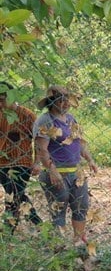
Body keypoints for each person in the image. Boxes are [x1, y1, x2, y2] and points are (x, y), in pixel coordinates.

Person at [33, 86, 98, 246]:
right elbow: (42, 149)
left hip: (76, 173)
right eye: (60, 100)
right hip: (57, 173)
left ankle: (79, 241)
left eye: (66, 100)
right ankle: (59, 245)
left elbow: (79, 142)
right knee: (59, 208)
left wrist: (90, 159)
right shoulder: (45, 120)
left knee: (81, 206)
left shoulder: (70, 119)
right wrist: (52, 170)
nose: (65, 103)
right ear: (51, 103)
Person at [0, 81, 42, 234]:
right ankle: (38, 225)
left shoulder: (27, 115)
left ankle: (7, 229)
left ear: (11, 96)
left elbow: (39, 140)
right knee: (17, 195)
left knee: (13, 195)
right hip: (2, 163)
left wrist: (37, 162)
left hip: (22, 162)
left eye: (2, 99)